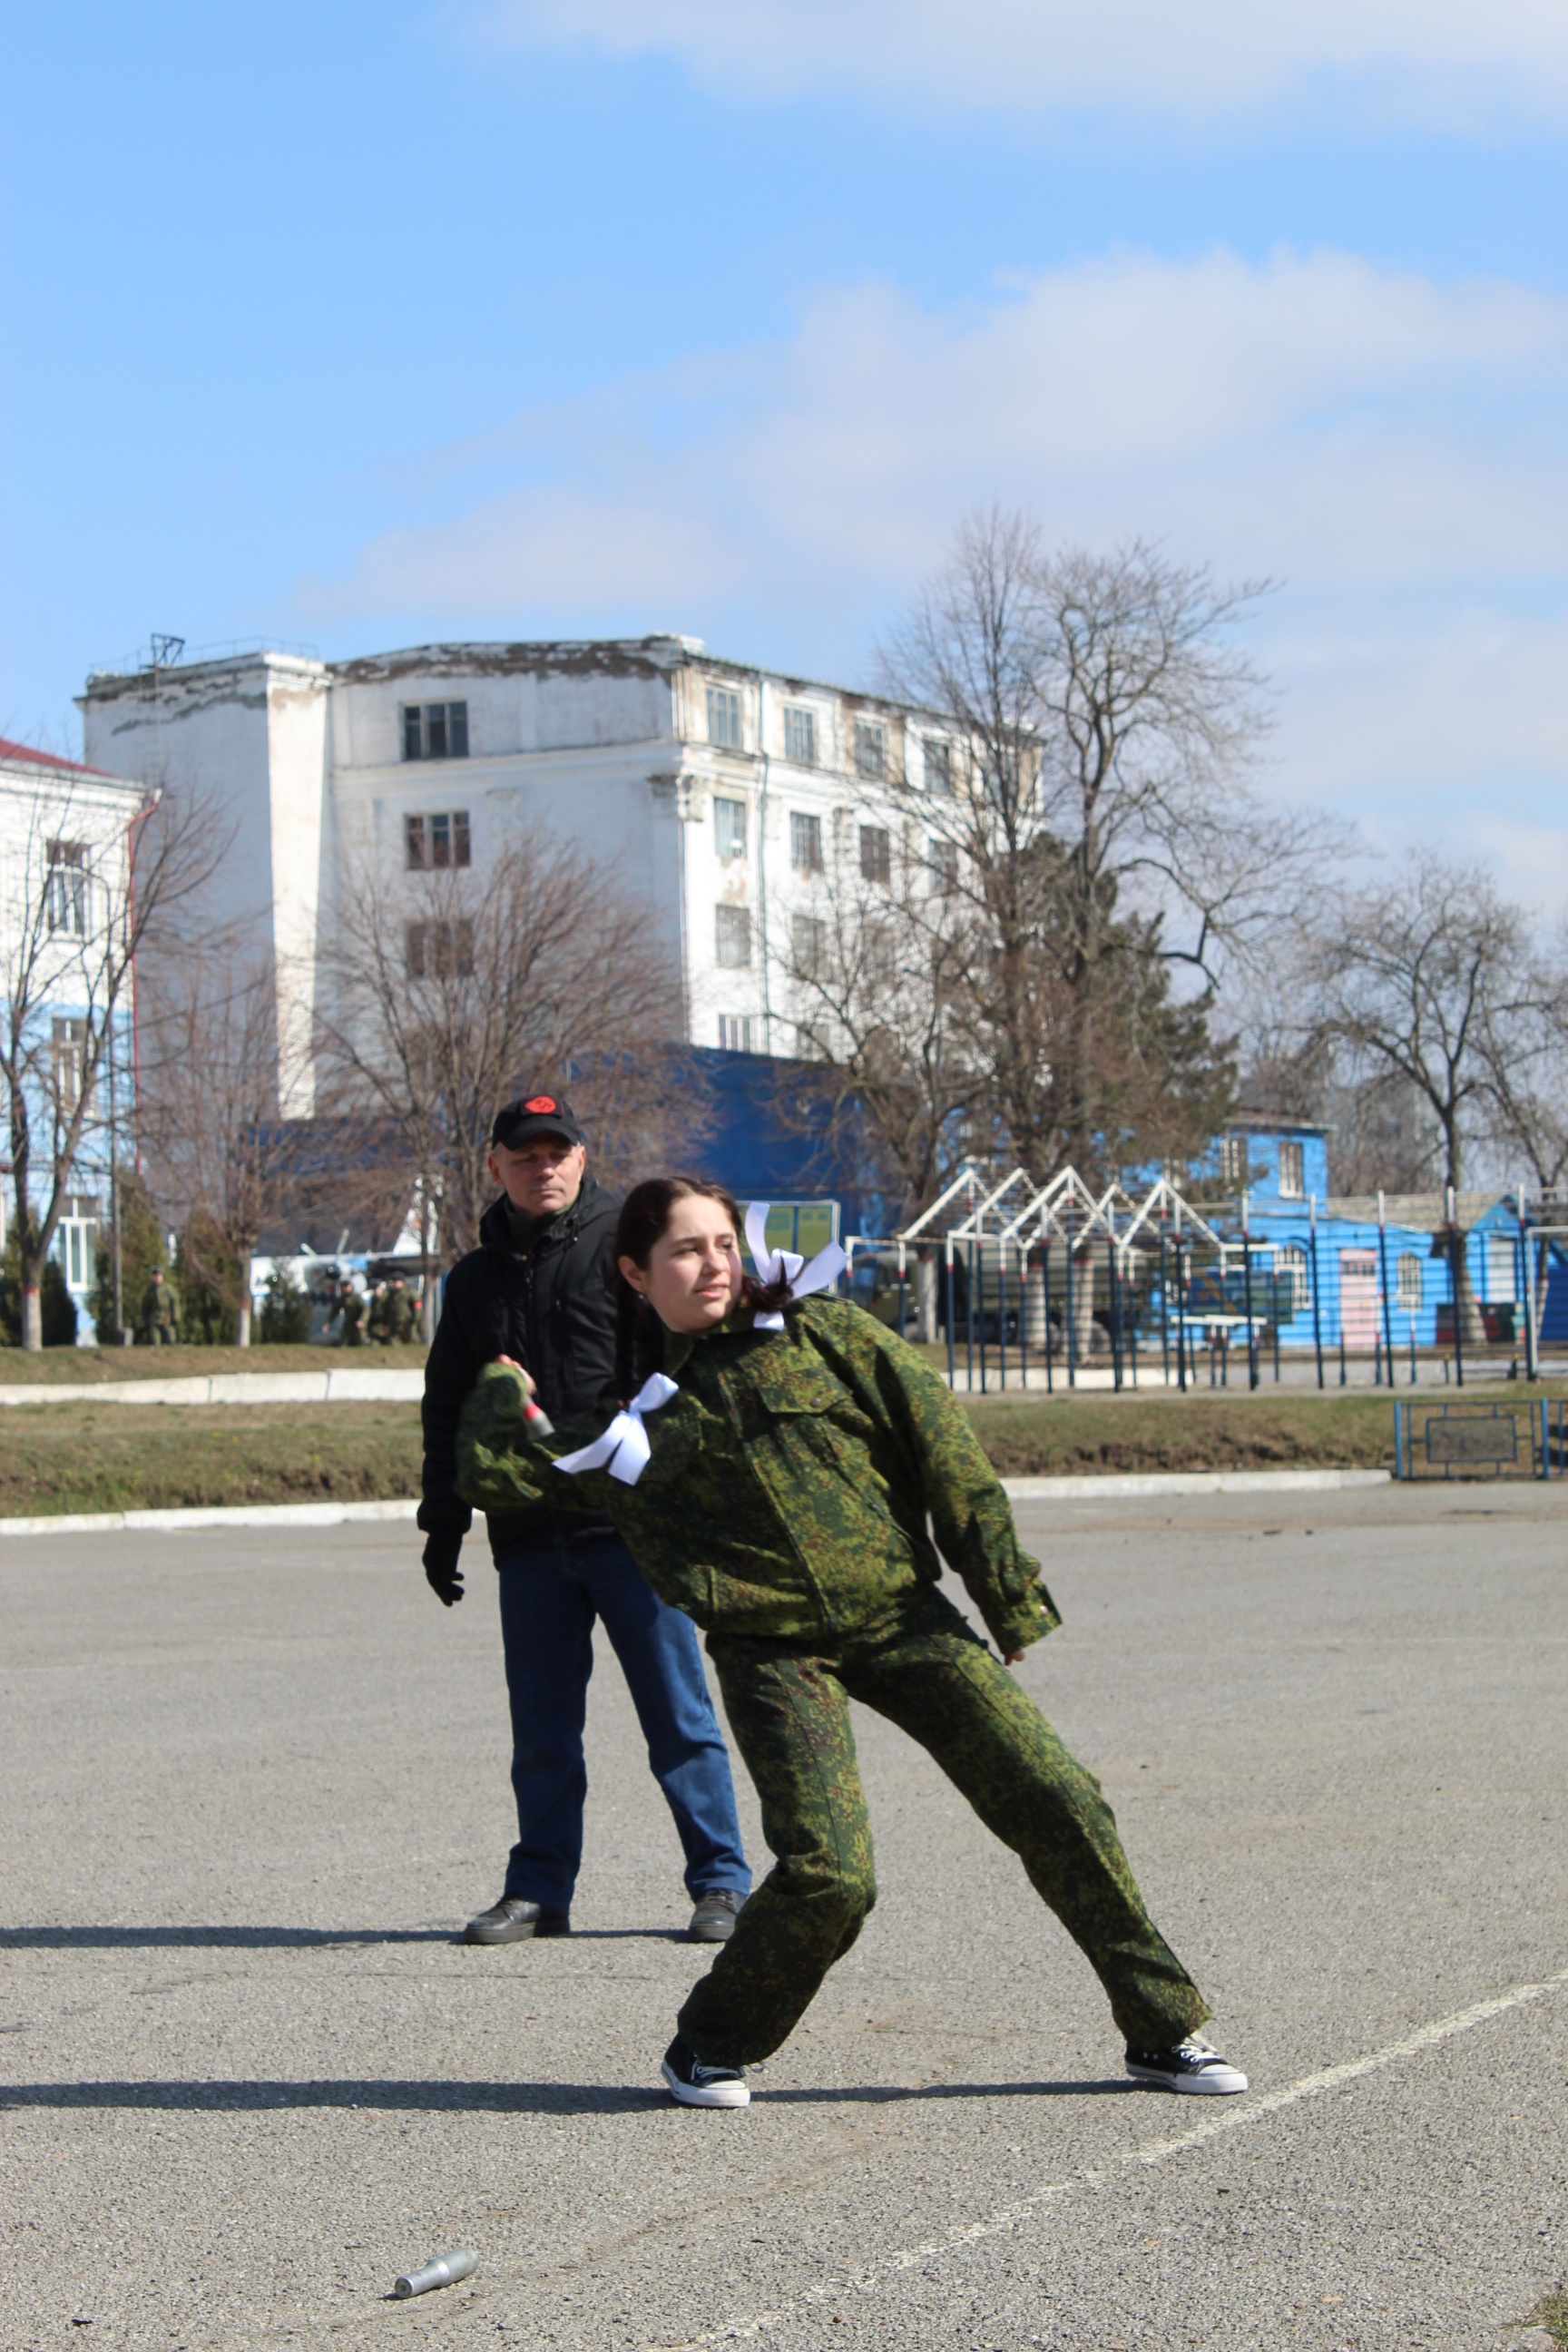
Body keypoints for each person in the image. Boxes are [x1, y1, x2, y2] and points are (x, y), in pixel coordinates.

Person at [457, 1177, 1248, 2110]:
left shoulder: (825, 1333)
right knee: (833, 1875)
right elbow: (520, 1470)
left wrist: (1004, 1593)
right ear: (635, 1272)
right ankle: (711, 2044)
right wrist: (496, 1397)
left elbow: (941, 1444)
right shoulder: (643, 1419)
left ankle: (1163, 2028)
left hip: (903, 1621)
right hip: (772, 1651)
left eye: (721, 1243)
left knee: (1060, 1797)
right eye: (682, 1250)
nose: (710, 1264)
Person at [420, 1095, 750, 1946]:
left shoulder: (627, 1253)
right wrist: (443, 1521)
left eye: (559, 1152)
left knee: (680, 1719)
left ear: (581, 1155)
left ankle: (722, 1883)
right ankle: (538, 1891)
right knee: (541, 1730)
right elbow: (449, 1404)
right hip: (530, 1539)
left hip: (634, 1533)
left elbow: (693, 1365)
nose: (546, 1168)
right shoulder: (474, 1279)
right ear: (496, 1166)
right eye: (527, 1156)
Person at [140, 1267, 180, 1347]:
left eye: (159, 1276)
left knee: (170, 1339)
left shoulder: (168, 1288)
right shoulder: (149, 1290)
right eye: (155, 1276)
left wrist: (175, 1316)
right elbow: (145, 1306)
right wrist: (145, 1320)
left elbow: (174, 1302)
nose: (157, 1278)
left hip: (166, 1316)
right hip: (154, 1318)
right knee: (155, 1341)